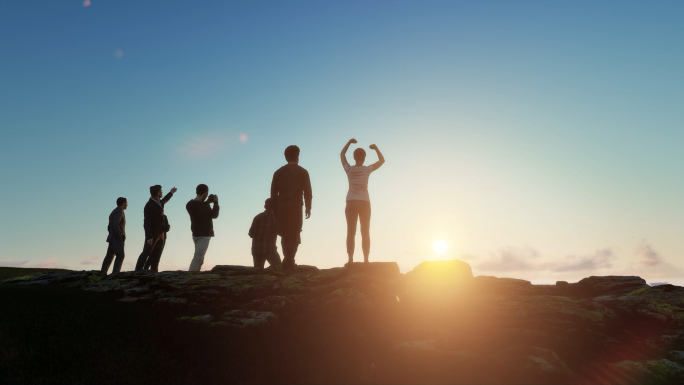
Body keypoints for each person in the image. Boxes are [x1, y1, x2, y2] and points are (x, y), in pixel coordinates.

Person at [340, 138, 385, 265]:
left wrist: (349, 142)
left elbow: (342, 154)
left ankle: (350, 260)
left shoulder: (348, 169)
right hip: (364, 202)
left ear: (354, 157)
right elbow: (382, 160)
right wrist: (375, 148)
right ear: (364, 158)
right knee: (365, 231)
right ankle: (366, 260)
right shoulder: (367, 169)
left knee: (350, 231)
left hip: (351, 201)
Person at [270, 145, 312, 270]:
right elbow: (308, 192)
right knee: (295, 234)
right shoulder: (303, 172)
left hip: (281, 208)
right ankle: (290, 259)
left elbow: (273, 194)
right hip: (296, 208)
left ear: (285, 157)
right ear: (297, 156)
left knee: (284, 234)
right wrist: (308, 208)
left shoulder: (278, 172)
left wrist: (273, 210)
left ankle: (288, 259)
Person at [135, 185, 177, 272]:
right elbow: (146, 222)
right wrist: (149, 236)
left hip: (162, 234)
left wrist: (171, 192)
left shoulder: (159, 202)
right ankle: (137, 271)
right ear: (158, 193)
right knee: (146, 252)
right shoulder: (149, 205)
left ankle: (154, 272)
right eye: (161, 191)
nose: (162, 192)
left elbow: (165, 199)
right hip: (153, 234)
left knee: (157, 255)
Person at [186, 184, 220, 271]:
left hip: (196, 234)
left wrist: (208, 202)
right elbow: (214, 215)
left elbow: (200, 208)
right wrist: (215, 203)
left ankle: (195, 277)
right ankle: (190, 279)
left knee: (200, 258)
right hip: (204, 235)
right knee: (198, 257)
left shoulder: (190, 204)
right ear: (205, 193)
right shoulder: (204, 207)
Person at [248, 198, 282, 269]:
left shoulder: (257, 217)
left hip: (256, 249)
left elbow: (251, 234)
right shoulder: (275, 218)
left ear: (265, 206)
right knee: (278, 267)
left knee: (258, 270)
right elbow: (280, 232)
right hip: (270, 249)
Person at [101, 197, 127, 275]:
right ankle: (115, 274)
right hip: (117, 238)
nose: (127, 205)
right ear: (123, 204)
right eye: (126, 203)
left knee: (109, 256)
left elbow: (109, 226)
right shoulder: (119, 212)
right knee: (120, 256)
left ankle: (103, 272)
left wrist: (111, 234)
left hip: (112, 237)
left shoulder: (113, 212)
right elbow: (115, 224)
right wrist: (120, 235)